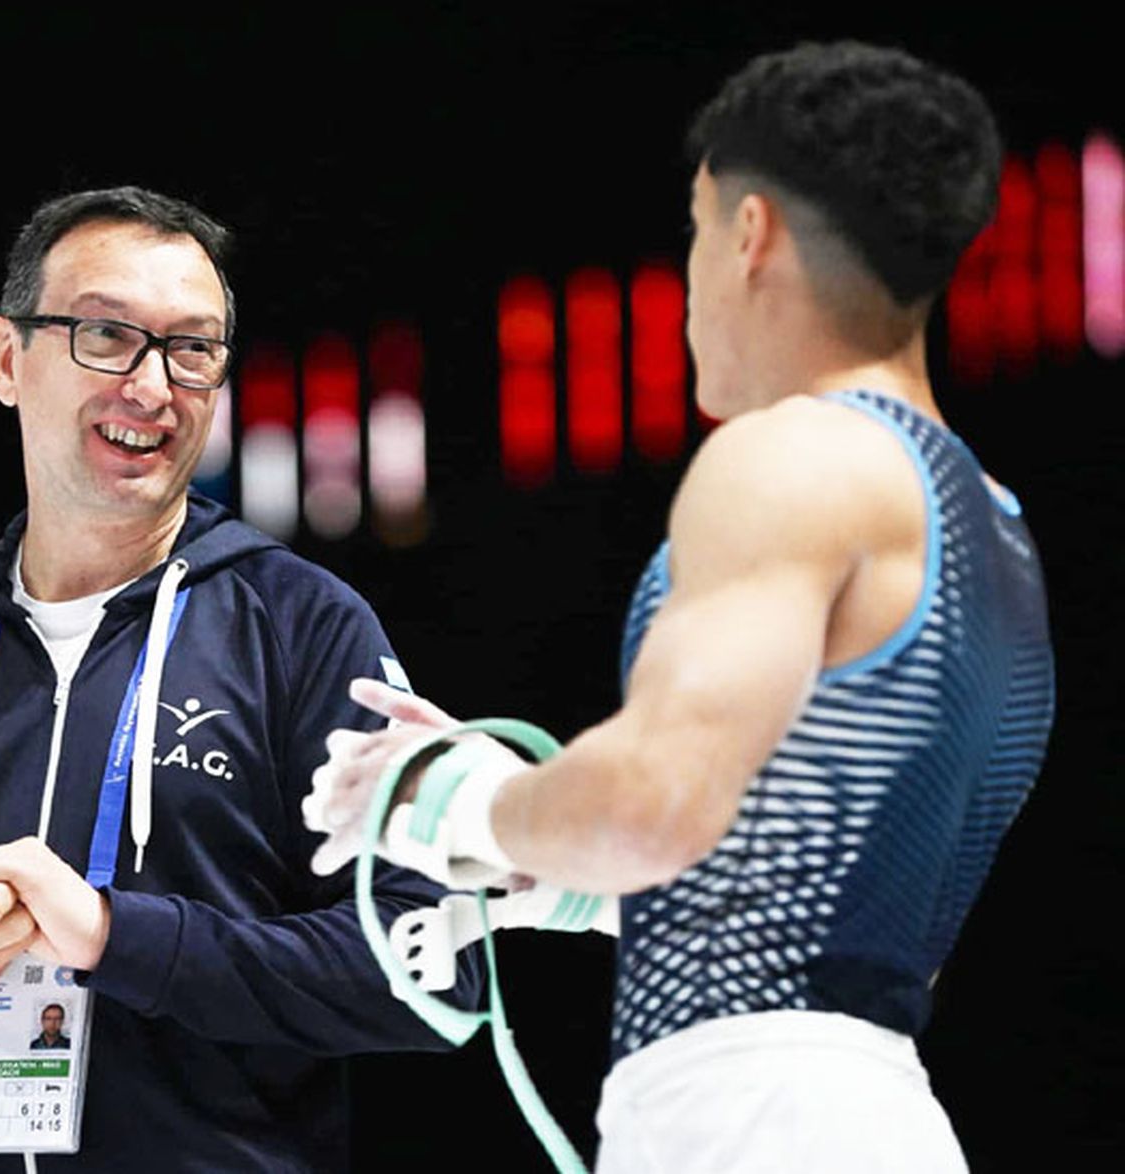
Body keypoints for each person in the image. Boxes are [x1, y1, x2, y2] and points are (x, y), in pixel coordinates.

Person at [305, 40, 1055, 1172]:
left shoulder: (789, 456)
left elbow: (652, 807)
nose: (694, 277)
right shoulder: (991, 523)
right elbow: (814, 912)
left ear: (749, 232)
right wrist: (541, 863)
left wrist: (442, 797)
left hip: (753, 1123)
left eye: (696, 234)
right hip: (862, 1109)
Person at [0, 185, 478, 1173]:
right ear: (5, 358)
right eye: (107, 336)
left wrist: (120, 935)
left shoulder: (301, 626)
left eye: (192, 348)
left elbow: (436, 971)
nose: (153, 386)